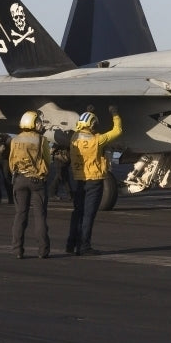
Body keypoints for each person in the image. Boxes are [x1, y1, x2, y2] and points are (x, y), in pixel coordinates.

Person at [67, 106, 123, 256]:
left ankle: (71, 243)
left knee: (77, 212)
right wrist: (115, 114)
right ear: (92, 125)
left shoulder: (74, 138)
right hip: (94, 181)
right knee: (88, 215)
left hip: (79, 180)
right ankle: (84, 246)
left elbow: (83, 127)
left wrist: (88, 112)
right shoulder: (97, 140)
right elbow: (117, 131)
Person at [8, 110, 52, 259]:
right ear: (33, 123)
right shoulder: (41, 140)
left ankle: (17, 250)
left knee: (20, 215)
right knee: (39, 216)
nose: (40, 124)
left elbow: (11, 162)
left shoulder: (15, 140)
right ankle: (43, 251)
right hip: (37, 182)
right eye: (38, 121)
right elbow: (47, 160)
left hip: (19, 180)